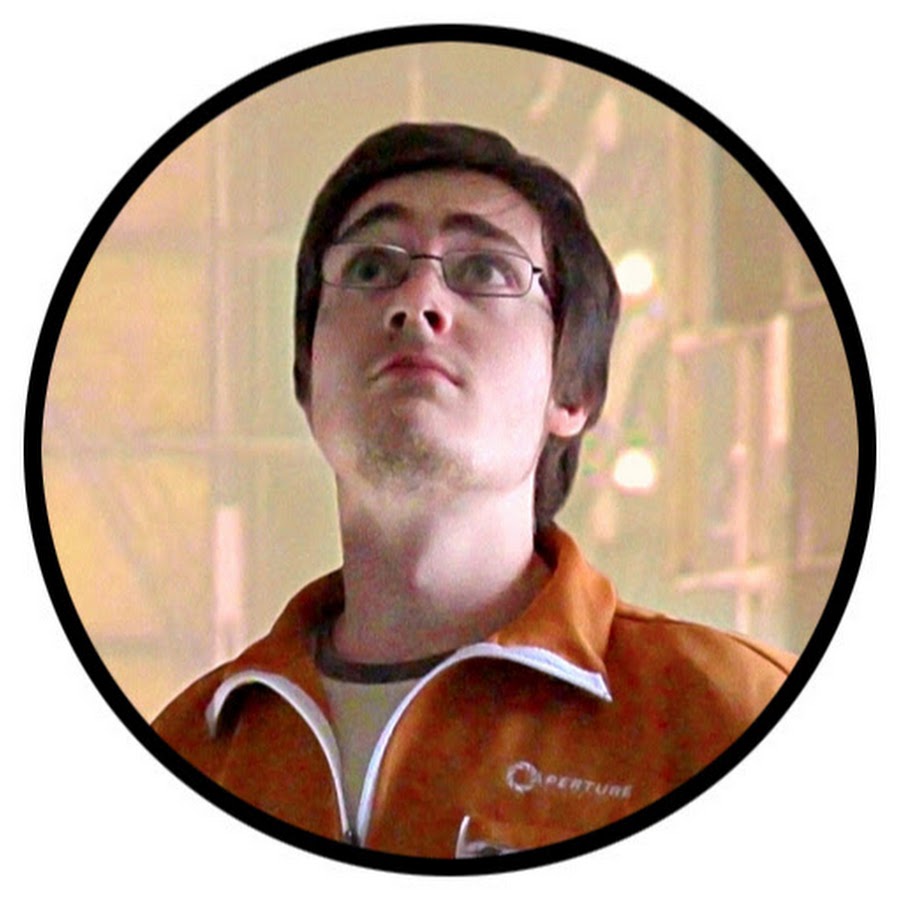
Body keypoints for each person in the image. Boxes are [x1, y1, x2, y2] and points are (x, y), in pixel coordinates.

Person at [153, 122, 796, 860]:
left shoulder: (731, 722)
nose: (416, 300)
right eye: (370, 266)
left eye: (485, 269)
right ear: (307, 377)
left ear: (572, 392)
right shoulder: (186, 751)